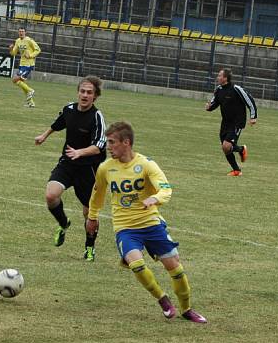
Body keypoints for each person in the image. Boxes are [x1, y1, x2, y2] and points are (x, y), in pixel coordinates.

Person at [87, 121, 207, 323]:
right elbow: (97, 194)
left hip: (151, 224)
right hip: (125, 228)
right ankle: (163, 300)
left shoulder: (146, 164)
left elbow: (165, 188)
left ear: (126, 142)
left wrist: (155, 198)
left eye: (112, 142)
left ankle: (186, 309)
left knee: (176, 269)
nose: (108, 147)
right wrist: (92, 216)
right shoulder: (105, 168)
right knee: (136, 264)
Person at [35, 76, 107, 261]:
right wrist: (44, 136)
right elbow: (58, 124)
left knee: (89, 213)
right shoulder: (69, 109)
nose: (84, 95)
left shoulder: (97, 117)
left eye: (89, 92)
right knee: (51, 195)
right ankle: (63, 222)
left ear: (95, 97)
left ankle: (89, 248)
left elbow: (99, 145)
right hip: (68, 163)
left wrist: (80, 152)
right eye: (82, 91)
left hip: (88, 169)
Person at [205, 68, 257, 177]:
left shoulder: (236, 89)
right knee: (225, 148)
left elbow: (250, 100)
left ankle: (241, 150)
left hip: (237, 122)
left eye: (219, 76)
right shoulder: (219, 90)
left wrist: (253, 116)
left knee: (226, 146)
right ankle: (237, 169)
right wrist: (209, 107)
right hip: (225, 123)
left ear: (225, 78)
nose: (217, 77)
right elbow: (214, 103)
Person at [9, 27, 40, 107]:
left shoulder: (29, 40)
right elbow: (14, 53)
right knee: (22, 83)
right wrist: (10, 49)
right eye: (19, 31)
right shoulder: (18, 41)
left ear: (25, 32)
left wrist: (30, 56)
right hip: (21, 65)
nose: (21, 33)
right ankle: (31, 103)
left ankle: (31, 90)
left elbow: (38, 50)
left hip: (28, 64)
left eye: (22, 31)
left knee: (15, 80)